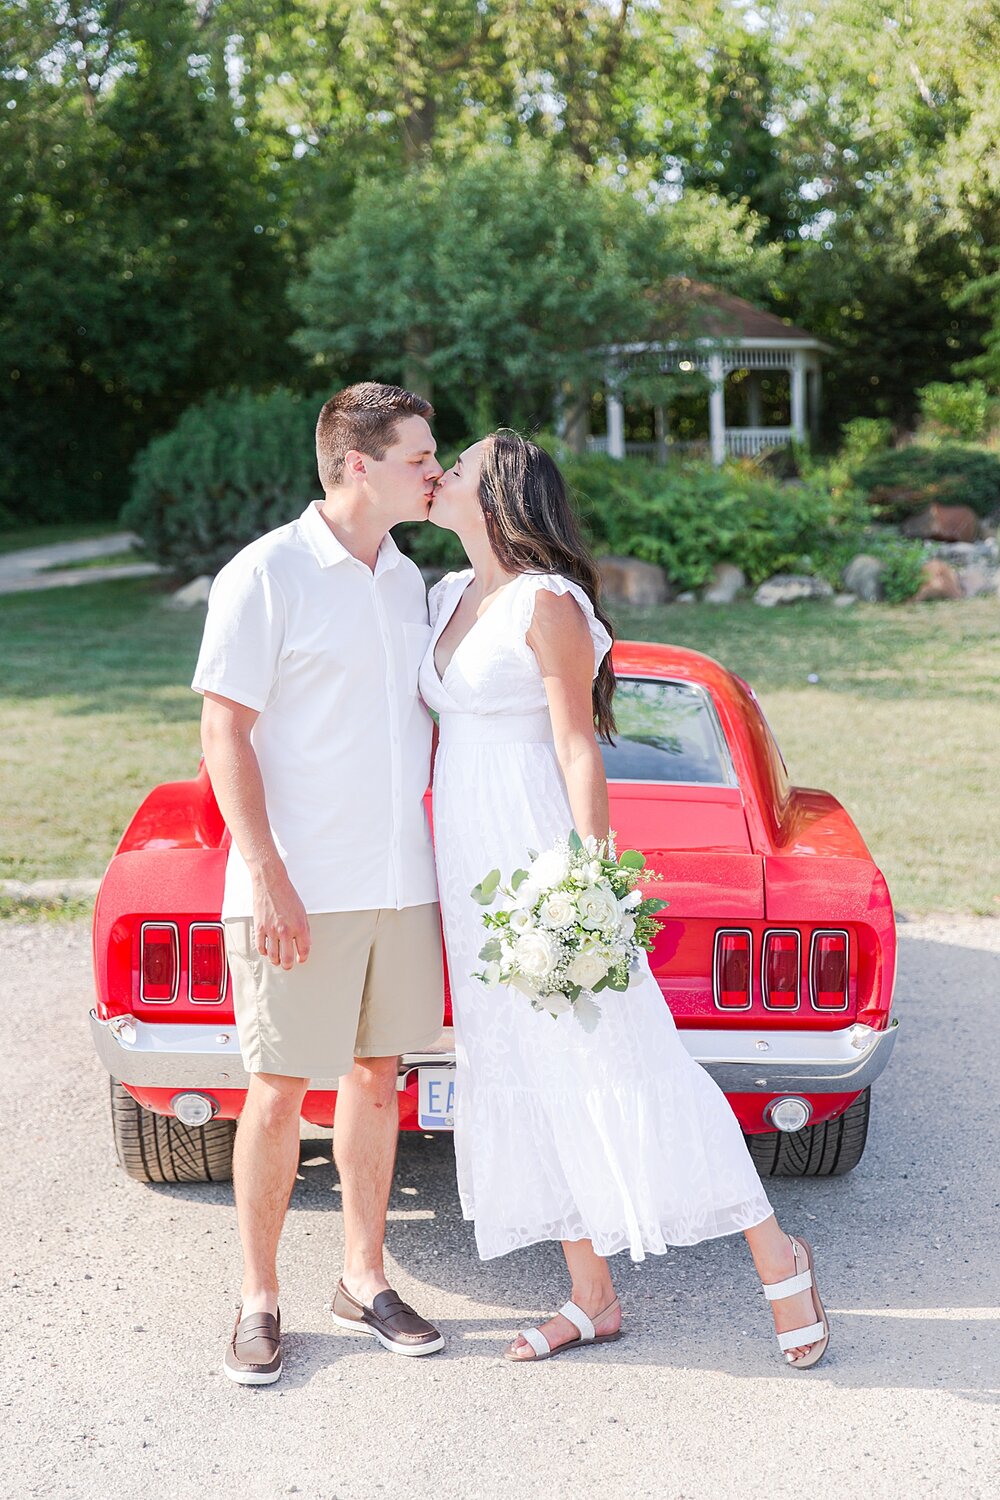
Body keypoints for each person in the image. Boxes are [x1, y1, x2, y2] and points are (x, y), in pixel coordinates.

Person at [420, 430, 831, 1367]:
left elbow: (576, 749)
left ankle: (780, 1255)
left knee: (627, 1058)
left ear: (500, 495)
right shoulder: (445, 595)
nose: (441, 476)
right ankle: (592, 1297)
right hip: (468, 864)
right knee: (524, 1068)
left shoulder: (546, 601)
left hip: (540, 862)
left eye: (461, 467)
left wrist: (590, 885)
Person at [193, 382, 448, 1385]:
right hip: (300, 884)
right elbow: (225, 731)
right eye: (420, 457)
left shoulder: (402, 576)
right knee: (275, 1086)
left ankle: (363, 1277)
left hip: (400, 880)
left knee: (378, 1077)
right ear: (357, 463)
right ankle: (259, 1299)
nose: (435, 471)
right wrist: (267, 877)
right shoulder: (266, 575)